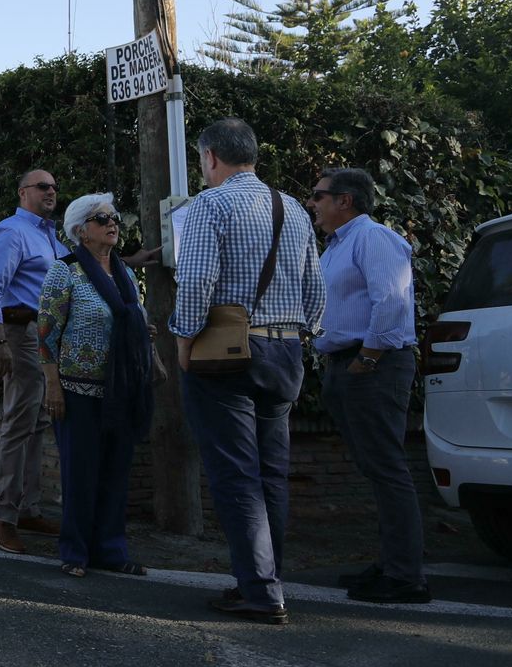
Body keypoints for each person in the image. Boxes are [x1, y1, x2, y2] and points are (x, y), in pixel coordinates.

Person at [170, 118, 324, 626]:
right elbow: (316, 291)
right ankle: (266, 579)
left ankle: (260, 590)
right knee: (270, 474)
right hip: (286, 352)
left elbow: (194, 281)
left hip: (229, 354)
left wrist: (183, 344)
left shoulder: (210, 205)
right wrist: (301, 334)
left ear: (210, 157)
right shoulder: (295, 208)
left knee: (236, 474)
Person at [309, 166, 429, 604]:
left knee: (387, 468)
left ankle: (406, 576)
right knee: (377, 470)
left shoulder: (373, 237)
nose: (313, 203)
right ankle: (394, 562)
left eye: (319, 195)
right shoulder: (337, 245)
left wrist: (368, 358)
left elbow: (392, 300)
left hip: (373, 365)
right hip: (348, 364)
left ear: (346, 200)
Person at [37, 193, 156, 578]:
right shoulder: (65, 271)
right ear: (80, 231)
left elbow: (133, 323)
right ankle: (75, 551)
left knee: (116, 472)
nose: (112, 223)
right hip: (76, 389)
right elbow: (45, 334)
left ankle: (111, 550)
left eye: (114, 217)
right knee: (81, 472)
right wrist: (52, 386)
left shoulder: (123, 273)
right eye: (102, 218)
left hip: (120, 388)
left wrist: (148, 349)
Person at [0, 168, 64, 553]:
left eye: (54, 187)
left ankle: (27, 508)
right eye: (43, 186)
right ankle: (2, 515)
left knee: (37, 420)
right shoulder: (13, 231)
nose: (51, 192)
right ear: (23, 191)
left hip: (44, 337)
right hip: (19, 332)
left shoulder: (51, 236)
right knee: (19, 420)